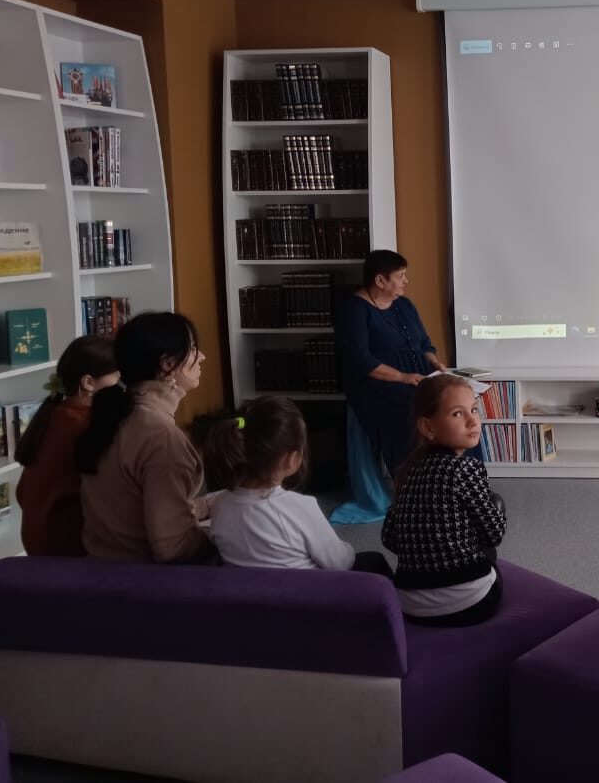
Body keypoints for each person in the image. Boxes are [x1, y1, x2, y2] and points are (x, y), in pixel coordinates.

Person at [77, 311, 217, 564]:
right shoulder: (161, 436)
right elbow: (173, 548)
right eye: (193, 350)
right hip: (143, 578)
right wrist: (225, 537)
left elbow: (134, 510)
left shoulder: (117, 416)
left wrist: (206, 506)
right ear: (167, 365)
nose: (202, 357)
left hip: (101, 569)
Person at [205, 396, 393, 576]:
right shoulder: (300, 507)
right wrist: (347, 549)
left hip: (246, 594)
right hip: (306, 595)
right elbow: (340, 563)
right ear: (291, 459)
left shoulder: (220, 505)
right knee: (375, 561)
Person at [382, 374, 506, 626]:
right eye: (457, 414)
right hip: (470, 604)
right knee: (495, 504)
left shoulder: (407, 472)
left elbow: (389, 538)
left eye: (474, 409)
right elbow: (493, 535)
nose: (472, 420)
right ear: (428, 427)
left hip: (410, 605)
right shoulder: (465, 469)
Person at [335, 250, 445, 485]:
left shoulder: (404, 304)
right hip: (378, 381)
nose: (406, 280)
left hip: (417, 374)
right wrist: (403, 377)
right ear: (380, 280)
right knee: (411, 410)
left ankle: (445, 473)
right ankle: (412, 482)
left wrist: (435, 363)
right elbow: (361, 360)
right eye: (401, 275)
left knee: (452, 399)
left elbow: (424, 343)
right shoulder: (355, 310)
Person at [15, 336, 119, 557]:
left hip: (38, 545)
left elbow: (21, 492)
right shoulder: (83, 425)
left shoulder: (54, 414)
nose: (122, 386)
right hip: (67, 551)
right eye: (117, 377)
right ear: (88, 382)